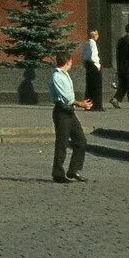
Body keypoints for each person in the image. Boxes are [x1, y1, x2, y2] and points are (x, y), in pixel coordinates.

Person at [49, 50, 91, 183]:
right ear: (67, 61)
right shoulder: (57, 76)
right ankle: (58, 173)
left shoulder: (65, 75)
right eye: (71, 61)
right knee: (62, 143)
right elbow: (67, 97)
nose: (72, 63)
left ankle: (73, 170)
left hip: (69, 111)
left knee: (81, 141)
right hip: (62, 111)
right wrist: (80, 104)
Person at [80, 30, 104, 111]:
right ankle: (97, 106)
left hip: (88, 65)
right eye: (97, 34)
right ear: (94, 35)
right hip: (94, 66)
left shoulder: (86, 43)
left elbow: (83, 55)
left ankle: (88, 105)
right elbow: (93, 55)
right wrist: (98, 65)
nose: (98, 36)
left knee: (89, 86)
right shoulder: (93, 43)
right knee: (97, 86)